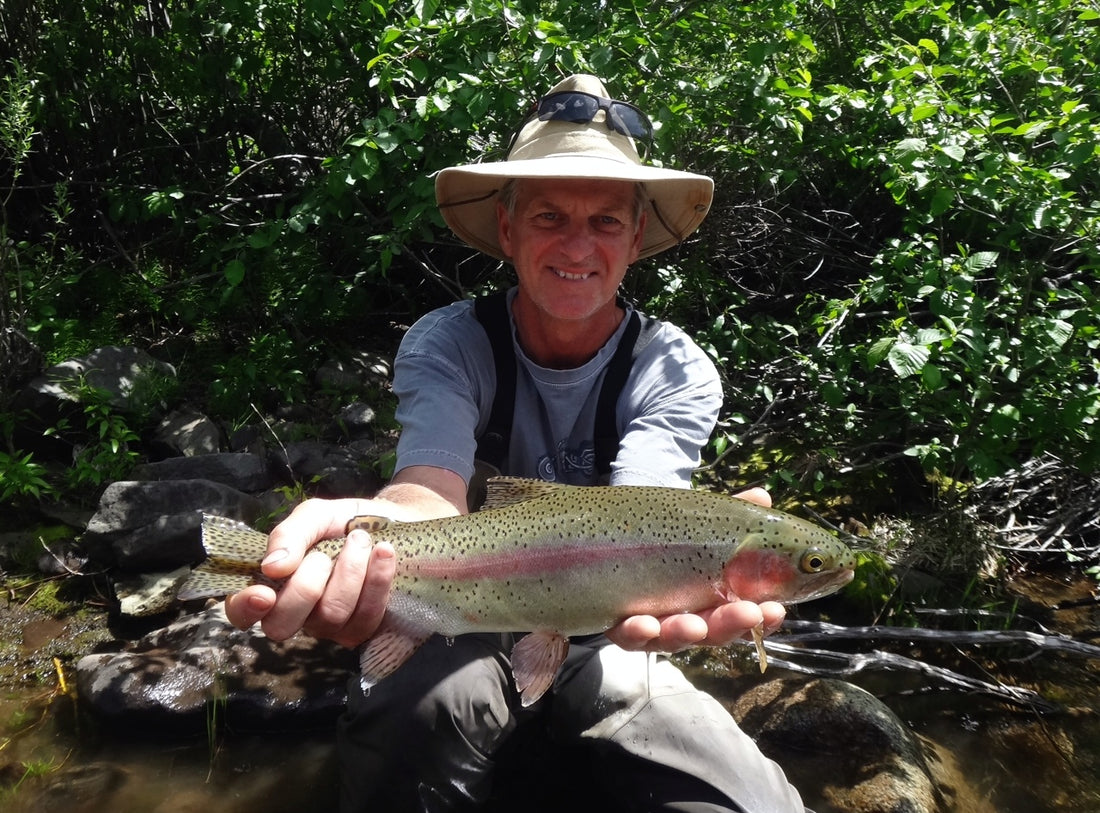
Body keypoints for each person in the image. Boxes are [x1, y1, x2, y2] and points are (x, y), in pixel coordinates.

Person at [225, 74, 810, 812]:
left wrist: (700, 546)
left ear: (635, 236)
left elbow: (640, 515)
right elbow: (425, 489)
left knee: (748, 798)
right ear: (507, 230)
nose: (577, 244)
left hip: (605, 623)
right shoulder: (451, 341)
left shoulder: (674, 367)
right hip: (456, 606)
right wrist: (379, 530)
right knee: (425, 717)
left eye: (604, 221)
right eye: (548, 217)